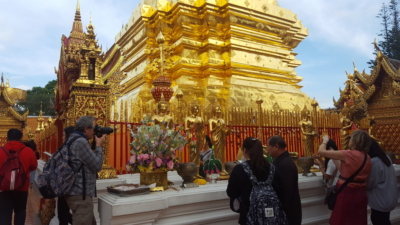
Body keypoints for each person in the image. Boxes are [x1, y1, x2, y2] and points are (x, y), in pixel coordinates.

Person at [227, 137, 286, 225]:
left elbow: (231, 192)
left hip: (248, 218)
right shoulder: (273, 168)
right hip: (273, 219)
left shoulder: (240, 169)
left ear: (245, 150)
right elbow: (281, 192)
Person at [318, 130, 372, 225]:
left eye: (350, 138)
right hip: (360, 193)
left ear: (355, 140)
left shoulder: (350, 154)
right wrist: (335, 158)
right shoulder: (367, 157)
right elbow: (345, 173)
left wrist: (325, 140)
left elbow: (321, 151)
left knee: (341, 220)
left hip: (347, 193)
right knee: (357, 221)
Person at [65, 116, 106, 225]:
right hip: (80, 194)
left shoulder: (73, 138)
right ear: (86, 128)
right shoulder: (80, 142)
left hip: (76, 193)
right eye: (93, 128)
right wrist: (98, 146)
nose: (94, 132)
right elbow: (97, 165)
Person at [0, 129, 38, 225]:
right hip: (22, 186)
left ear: (6, 138)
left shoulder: (0, 151)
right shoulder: (28, 151)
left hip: (3, 187)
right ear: (21, 138)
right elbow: (34, 166)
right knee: (20, 211)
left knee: (4, 212)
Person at [266, 135, 302, 225]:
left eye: (268, 146)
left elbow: (287, 193)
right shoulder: (281, 161)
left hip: (288, 214)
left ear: (276, 147)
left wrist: (280, 213)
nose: (267, 149)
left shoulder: (285, 165)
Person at [367, 139, 398, 225]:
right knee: (384, 220)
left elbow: (370, 183)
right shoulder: (385, 157)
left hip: (380, 200)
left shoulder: (374, 162)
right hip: (388, 197)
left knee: (378, 220)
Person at [58, 126, 75, 225]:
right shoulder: (65, 148)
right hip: (64, 184)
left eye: (64, 135)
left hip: (67, 184)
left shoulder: (68, 149)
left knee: (63, 214)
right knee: (63, 214)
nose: (62, 137)